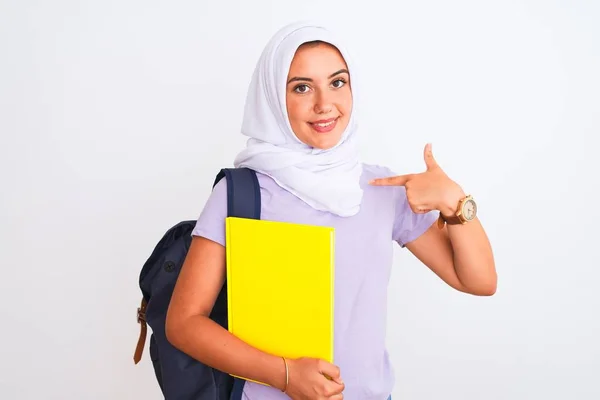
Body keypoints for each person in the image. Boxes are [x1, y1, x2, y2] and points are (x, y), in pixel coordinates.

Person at [165, 21, 497, 400]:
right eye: (302, 87)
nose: (324, 104)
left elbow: (479, 281)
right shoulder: (241, 193)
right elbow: (184, 322)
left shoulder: (380, 190)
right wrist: (286, 375)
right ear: (272, 97)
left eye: (337, 82)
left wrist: (455, 202)